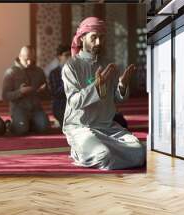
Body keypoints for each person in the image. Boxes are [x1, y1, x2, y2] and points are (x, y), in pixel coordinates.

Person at [62, 17, 146, 170]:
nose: (98, 42)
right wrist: (95, 87)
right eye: (94, 37)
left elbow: (116, 99)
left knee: (141, 153)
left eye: (101, 37)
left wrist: (122, 85)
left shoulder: (107, 65)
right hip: (82, 126)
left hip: (107, 127)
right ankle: (80, 150)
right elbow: (74, 101)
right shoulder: (71, 67)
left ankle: (93, 150)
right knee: (103, 155)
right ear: (82, 38)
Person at [2, 45, 50, 135]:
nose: (29, 62)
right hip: (19, 109)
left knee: (44, 128)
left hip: (36, 108)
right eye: (26, 59)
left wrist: (43, 91)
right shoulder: (11, 72)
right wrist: (20, 92)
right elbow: (5, 96)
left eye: (32, 59)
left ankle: (28, 123)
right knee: (21, 130)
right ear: (20, 56)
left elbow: (47, 96)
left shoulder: (39, 71)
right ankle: (11, 124)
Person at [48, 44, 71, 127]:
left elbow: (86, 83)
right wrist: (68, 81)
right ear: (59, 57)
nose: (69, 57)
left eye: (71, 54)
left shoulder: (76, 71)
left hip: (75, 106)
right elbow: (56, 93)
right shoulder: (54, 73)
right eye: (66, 55)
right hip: (61, 106)